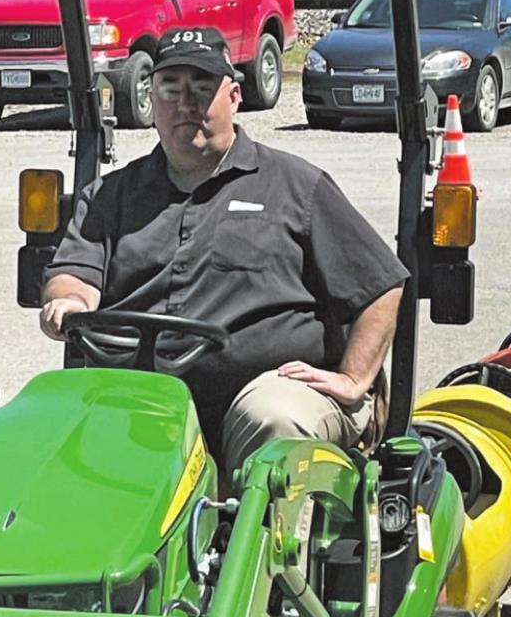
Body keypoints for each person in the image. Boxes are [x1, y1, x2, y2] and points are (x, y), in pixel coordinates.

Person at [39, 26, 408, 475]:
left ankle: (260, 519)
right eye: (170, 89)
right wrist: (69, 301)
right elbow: (75, 273)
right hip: (139, 389)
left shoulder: (296, 186)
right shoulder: (110, 196)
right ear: (151, 100)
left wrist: (354, 378)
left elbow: (380, 284)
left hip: (264, 390)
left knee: (272, 418)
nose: (185, 103)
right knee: (44, 431)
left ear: (233, 96)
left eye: (202, 88)